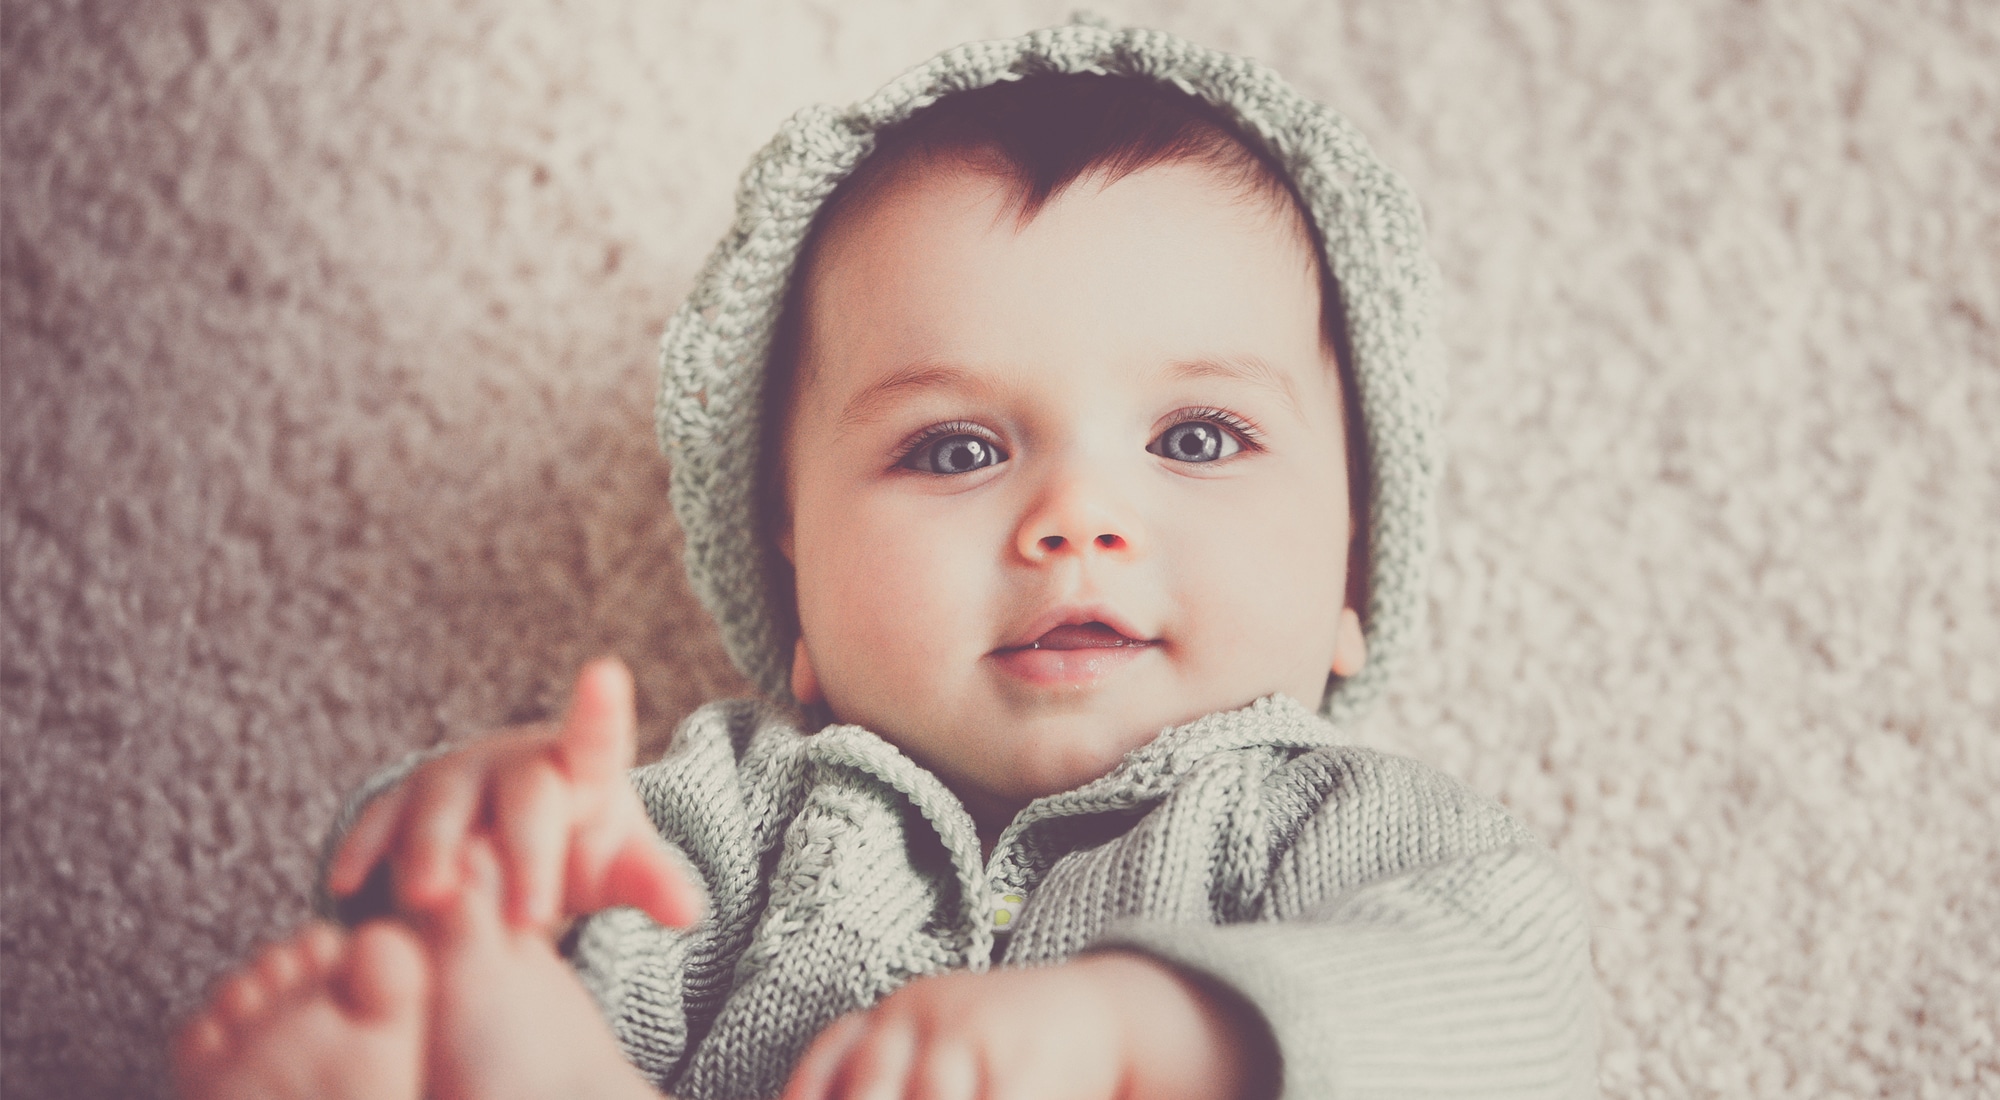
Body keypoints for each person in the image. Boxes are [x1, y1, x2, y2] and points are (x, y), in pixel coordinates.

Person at [172, 17, 1597, 1100]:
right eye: (958, 451)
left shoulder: (1334, 829)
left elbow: (1518, 1010)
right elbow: (592, 904)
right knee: (501, 967)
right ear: (794, 584)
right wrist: (493, 856)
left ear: (1352, 573)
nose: (1074, 524)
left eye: (1202, 438)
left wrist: (1157, 1031)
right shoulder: (734, 823)